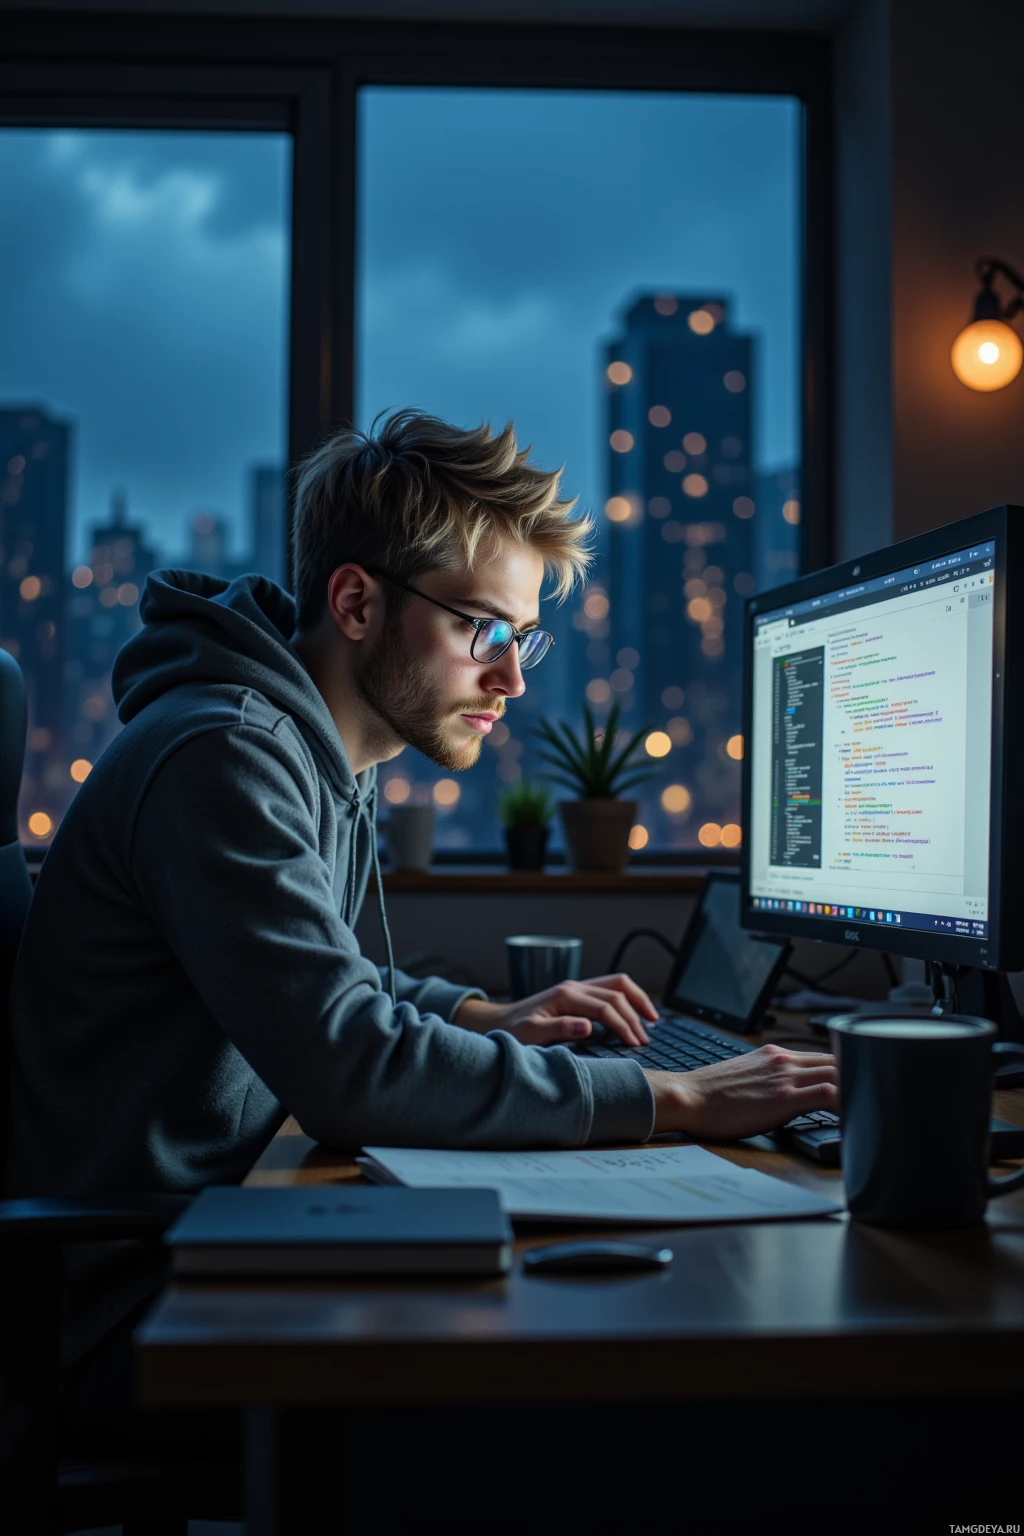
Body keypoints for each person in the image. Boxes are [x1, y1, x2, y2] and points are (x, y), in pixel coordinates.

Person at [6, 409, 837, 1446]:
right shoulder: (223, 756)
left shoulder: (299, 753)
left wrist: (492, 1014)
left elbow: (327, 982)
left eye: (522, 638)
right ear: (356, 601)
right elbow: (343, 1060)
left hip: (190, 1241)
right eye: (480, 629)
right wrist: (670, 1095)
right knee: (573, 1377)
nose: (513, 678)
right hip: (123, 1306)